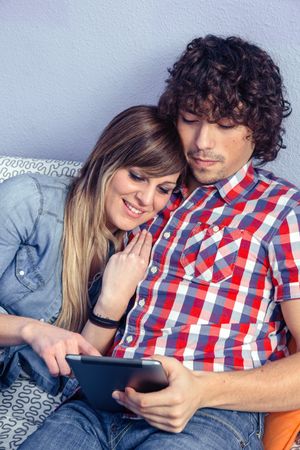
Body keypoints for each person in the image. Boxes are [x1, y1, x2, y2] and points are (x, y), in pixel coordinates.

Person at [20, 35, 300, 450]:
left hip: (208, 417)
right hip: (99, 406)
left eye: (224, 125)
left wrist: (202, 390)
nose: (203, 142)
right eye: (190, 118)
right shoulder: (147, 196)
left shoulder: (281, 211)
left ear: (256, 129)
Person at [0, 105, 185, 425]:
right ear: (106, 160)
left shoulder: (139, 256)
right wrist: (32, 330)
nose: (146, 199)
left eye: (163, 189)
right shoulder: (29, 201)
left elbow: (75, 376)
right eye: (138, 176)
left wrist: (110, 305)